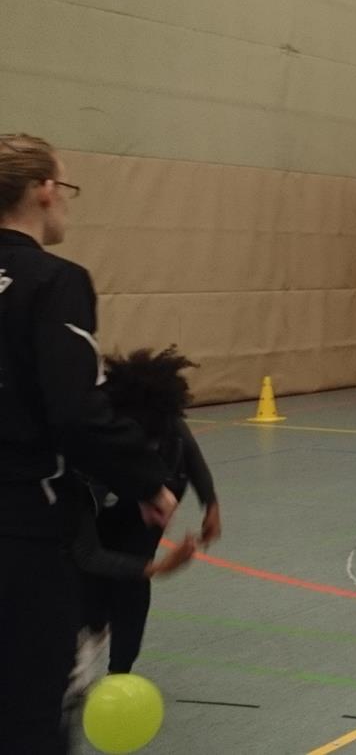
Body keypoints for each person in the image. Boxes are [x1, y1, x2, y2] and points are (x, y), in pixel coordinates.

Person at [0, 133, 177, 752]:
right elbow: (75, 411)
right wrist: (146, 480)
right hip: (21, 523)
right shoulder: (55, 281)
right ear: (44, 191)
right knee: (30, 703)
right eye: (67, 187)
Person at [80, 347, 220, 675]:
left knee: (131, 588)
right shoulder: (86, 470)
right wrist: (157, 567)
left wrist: (210, 501)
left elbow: (189, 450)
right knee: (90, 583)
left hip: (149, 500)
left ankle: (119, 672)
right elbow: (87, 554)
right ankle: (91, 628)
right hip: (103, 509)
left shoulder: (164, 427)